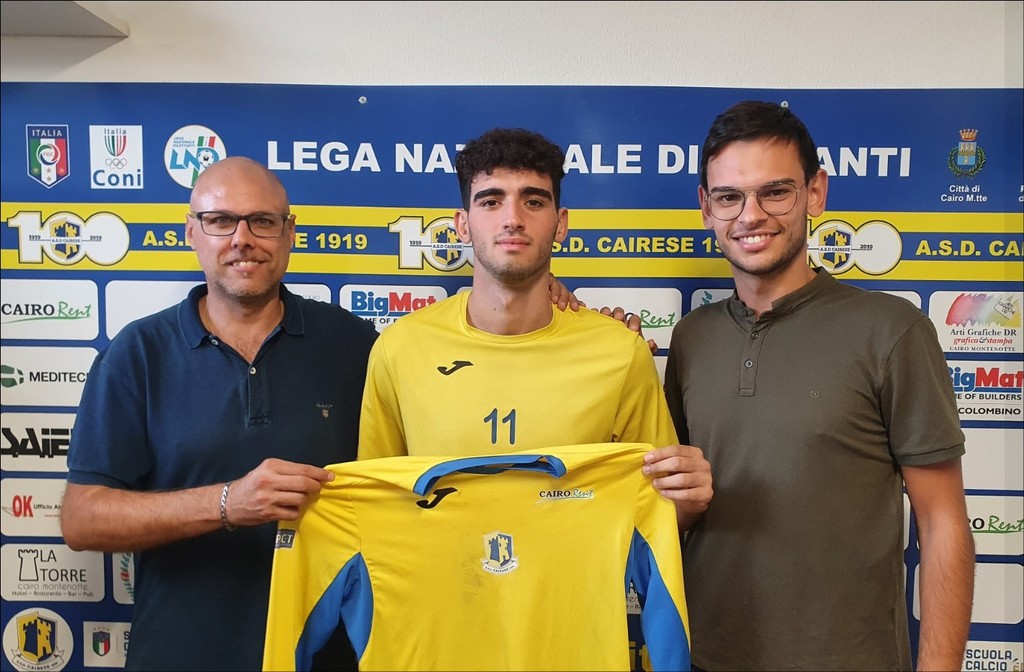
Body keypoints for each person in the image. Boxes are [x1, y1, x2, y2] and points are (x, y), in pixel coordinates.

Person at [57, 155, 586, 671]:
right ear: (191, 232)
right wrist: (227, 503)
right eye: (220, 221)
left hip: (336, 654)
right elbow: (83, 520)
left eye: (263, 221)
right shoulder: (138, 354)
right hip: (183, 654)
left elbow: (438, 462)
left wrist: (545, 302)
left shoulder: (356, 344)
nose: (242, 239)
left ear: (290, 233)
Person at [663, 100, 975, 671]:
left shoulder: (891, 329)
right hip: (707, 656)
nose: (751, 215)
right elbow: (675, 508)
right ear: (706, 207)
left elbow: (943, 523)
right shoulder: (690, 337)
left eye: (775, 192)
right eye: (730, 197)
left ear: (815, 193)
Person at [358, 127, 712, 523]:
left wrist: (687, 503)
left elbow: (657, 512)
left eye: (533, 201)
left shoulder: (620, 352)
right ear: (462, 224)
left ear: (561, 224)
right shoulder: (399, 348)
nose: (513, 219)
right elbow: (376, 505)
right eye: (491, 201)